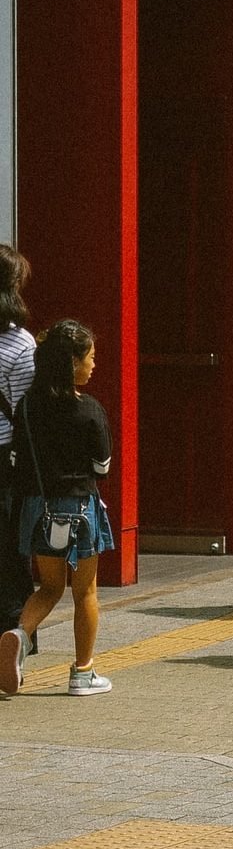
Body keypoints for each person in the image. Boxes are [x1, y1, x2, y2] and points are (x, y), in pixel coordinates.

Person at [1, 321, 116, 696]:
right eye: (90, 358)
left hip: (38, 507)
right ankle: (83, 673)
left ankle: (18, 634)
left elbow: (18, 456)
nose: (94, 365)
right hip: (79, 508)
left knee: (49, 586)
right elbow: (103, 467)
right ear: (72, 363)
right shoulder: (89, 410)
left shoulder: (29, 406)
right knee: (85, 592)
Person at [0, 247, 35, 653]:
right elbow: (27, 415)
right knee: (10, 560)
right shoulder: (20, 345)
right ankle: (12, 646)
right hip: (5, 467)